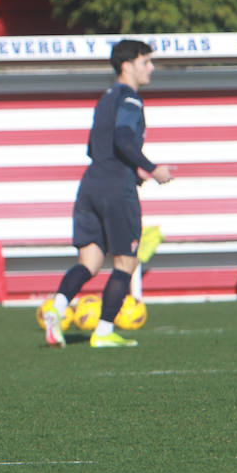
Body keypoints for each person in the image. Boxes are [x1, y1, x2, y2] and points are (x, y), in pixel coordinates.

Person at [39, 39, 174, 349]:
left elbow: (94, 147)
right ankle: (103, 331)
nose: (150, 68)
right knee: (126, 263)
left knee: (89, 261)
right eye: (146, 62)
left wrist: (132, 171)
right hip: (116, 188)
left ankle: (57, 308)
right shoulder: (130, 99)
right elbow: (124, 139)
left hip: (90, 184)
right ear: (127, 66)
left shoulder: (105, 98)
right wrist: (152, 169)